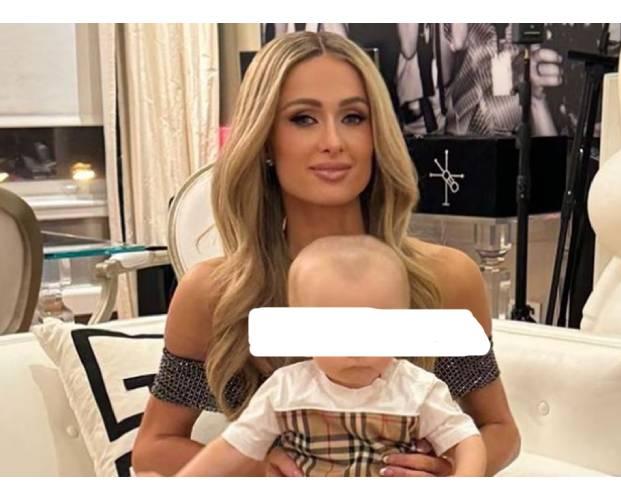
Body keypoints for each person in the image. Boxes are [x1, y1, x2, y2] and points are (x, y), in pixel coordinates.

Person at [132, 31, 520, 477]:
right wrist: (259, 470)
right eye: (303, 119)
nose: (334, 141)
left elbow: (500, 430)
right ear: (265, 140)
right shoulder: (214, 293)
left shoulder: (445, 279)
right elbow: (153, 448)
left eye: (353, 117)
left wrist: (447, 471)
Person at [174, 235, 487, 477]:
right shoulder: (286, 389)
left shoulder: (418, 390)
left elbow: (467, 441)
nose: (357, 349)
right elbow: (231, 448)